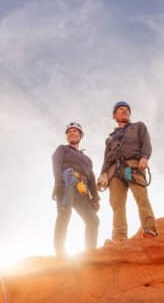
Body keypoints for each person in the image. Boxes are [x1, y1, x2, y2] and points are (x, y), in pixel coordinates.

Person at [96, 101, 157, 242]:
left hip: (133, 165)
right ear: (114, 115)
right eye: (121, 109)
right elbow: (106, 158)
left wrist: (145, 157)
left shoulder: (138, 127)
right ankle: (119, 238)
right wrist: (102, 174)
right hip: (114, 171)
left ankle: (149, 229)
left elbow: (146, 143)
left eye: (127, 110)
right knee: (117, 205)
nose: (125, 111)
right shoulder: (110, 138)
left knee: (141, 198)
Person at [52, 122, 100, 257]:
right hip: (66, 185)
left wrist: (95, 197)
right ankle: (60, 254)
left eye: (75, 131)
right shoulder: (62, 149)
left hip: (82, 191)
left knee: (93, 220)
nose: (72, 133)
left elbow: (91, 178)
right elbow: (56, 165)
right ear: (67, 136)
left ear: (81, 135)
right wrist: (59, 184)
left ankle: (90, 253)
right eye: (69, 131)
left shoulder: (87, 160)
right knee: (64, 216)